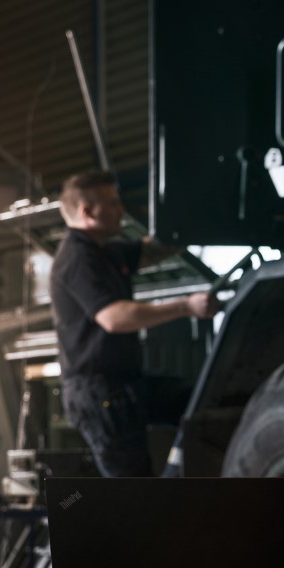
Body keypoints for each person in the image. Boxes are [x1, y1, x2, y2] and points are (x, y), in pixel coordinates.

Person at [50, 169, 219, 477]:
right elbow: (114, 318)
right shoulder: (78, 259)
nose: (121, 210)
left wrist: (200, 222)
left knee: (197, 403)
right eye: (112, 204)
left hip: (124, 387)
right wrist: (186, 306)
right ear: (87, 212)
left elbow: (153, 250)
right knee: (133, 493)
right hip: (101, 394)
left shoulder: (104, 252)